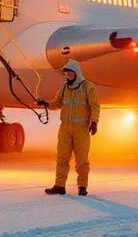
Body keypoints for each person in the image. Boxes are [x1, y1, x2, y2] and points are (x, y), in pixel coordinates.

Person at [38, 60, 99, 196]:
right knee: (62, 158)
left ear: (76, 73)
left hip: (81, 129)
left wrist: (94, 122)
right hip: (65, 129)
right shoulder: (64, 88)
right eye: (66, 74)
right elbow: (56, 104)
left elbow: (95, 106)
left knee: (82, 160)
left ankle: (82, 186)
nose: (68, 76)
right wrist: (46, 104)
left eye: (70, 74)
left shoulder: (88, 87)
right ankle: (59, 186)